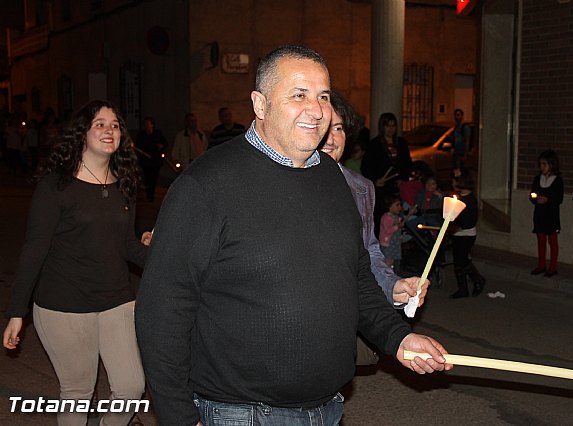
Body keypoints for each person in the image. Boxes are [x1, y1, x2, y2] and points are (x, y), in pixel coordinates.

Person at [135, 45, 451, 426]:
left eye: (323, 97)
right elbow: (162, 311)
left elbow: (356, 278)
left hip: (329, 408)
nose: (316, 110)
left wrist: (397, 337)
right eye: (298, 95)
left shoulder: (332, 178)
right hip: (241, 413)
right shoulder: (206, 185)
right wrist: (178, 417)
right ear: (260, 104)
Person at [2, 99, 149, 426]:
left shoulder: (125, 183)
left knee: (131, 386)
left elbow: (126, 245)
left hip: (116, 299)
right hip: (64, 304)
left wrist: (165, 255)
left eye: (114, 125)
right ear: (82, 133)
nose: (109, 130)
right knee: (78, 391)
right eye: (100, 123)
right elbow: (34, 249)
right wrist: (17, 311)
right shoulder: (56, 185)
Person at [319, 90, 425, 306]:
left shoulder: (362, 188)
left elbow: (368, 252)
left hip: (344, 311)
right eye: (323, 128)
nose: (331, 139)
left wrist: (392, 285)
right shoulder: (287, 182)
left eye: (338, 128)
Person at [449, 170, 485, 299]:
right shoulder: (457, 197)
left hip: (467, 235)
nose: (453, 184)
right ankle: (463, 288)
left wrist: (458, 225)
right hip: (457, 235)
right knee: (458, 261)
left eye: (456, 181)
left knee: (462, 260)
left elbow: (470, 221)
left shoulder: (470, 200)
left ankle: (478, 280)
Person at [529, 150, 564, 277]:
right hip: (539, 214)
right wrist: (535, 198)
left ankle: (553, 266)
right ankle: (541, 264)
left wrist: (548, 200)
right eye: (540, 164)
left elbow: (559, 198)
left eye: (544, 164)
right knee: (541, 240)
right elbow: (532, 194)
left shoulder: (557, 180)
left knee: (552, 241)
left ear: (551, 164)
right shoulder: (538, 179)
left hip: (551, 214)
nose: (542, 167)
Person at [135, 116, 167, 201]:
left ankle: (151, 194)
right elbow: (137, 146)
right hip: (146, 161)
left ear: (152, 125)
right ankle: (149, 194)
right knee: (147, 177)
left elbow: (165, 143)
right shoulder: (141, 135)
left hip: (156, 160)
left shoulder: (157, 133)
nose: (146, 126)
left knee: (154, 177)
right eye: (145, 124)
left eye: (148, 124)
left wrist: (161, 146)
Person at [379, 194, 408, 269]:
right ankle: (386, 274)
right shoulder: (386, 217)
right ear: (389, 206)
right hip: (388, 244)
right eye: (397, 205)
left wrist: (400, 236)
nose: (399, 207)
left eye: (400, 205)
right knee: (387, 260)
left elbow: (398, 231)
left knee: (392, 261)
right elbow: (388, 230)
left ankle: (391, 272)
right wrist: (397, 226)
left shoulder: (396, 217)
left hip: (394, 242)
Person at [452, 108, 471, 174]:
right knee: (456, 172)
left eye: (458, 115)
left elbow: (467, 141)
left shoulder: (465, 127)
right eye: (455, 115)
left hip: (461, 154)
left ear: (462, 116)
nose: (456, 117)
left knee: (462, 171)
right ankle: (457, 181)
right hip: (456, 154)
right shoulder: (455, 127)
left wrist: (465, 155)